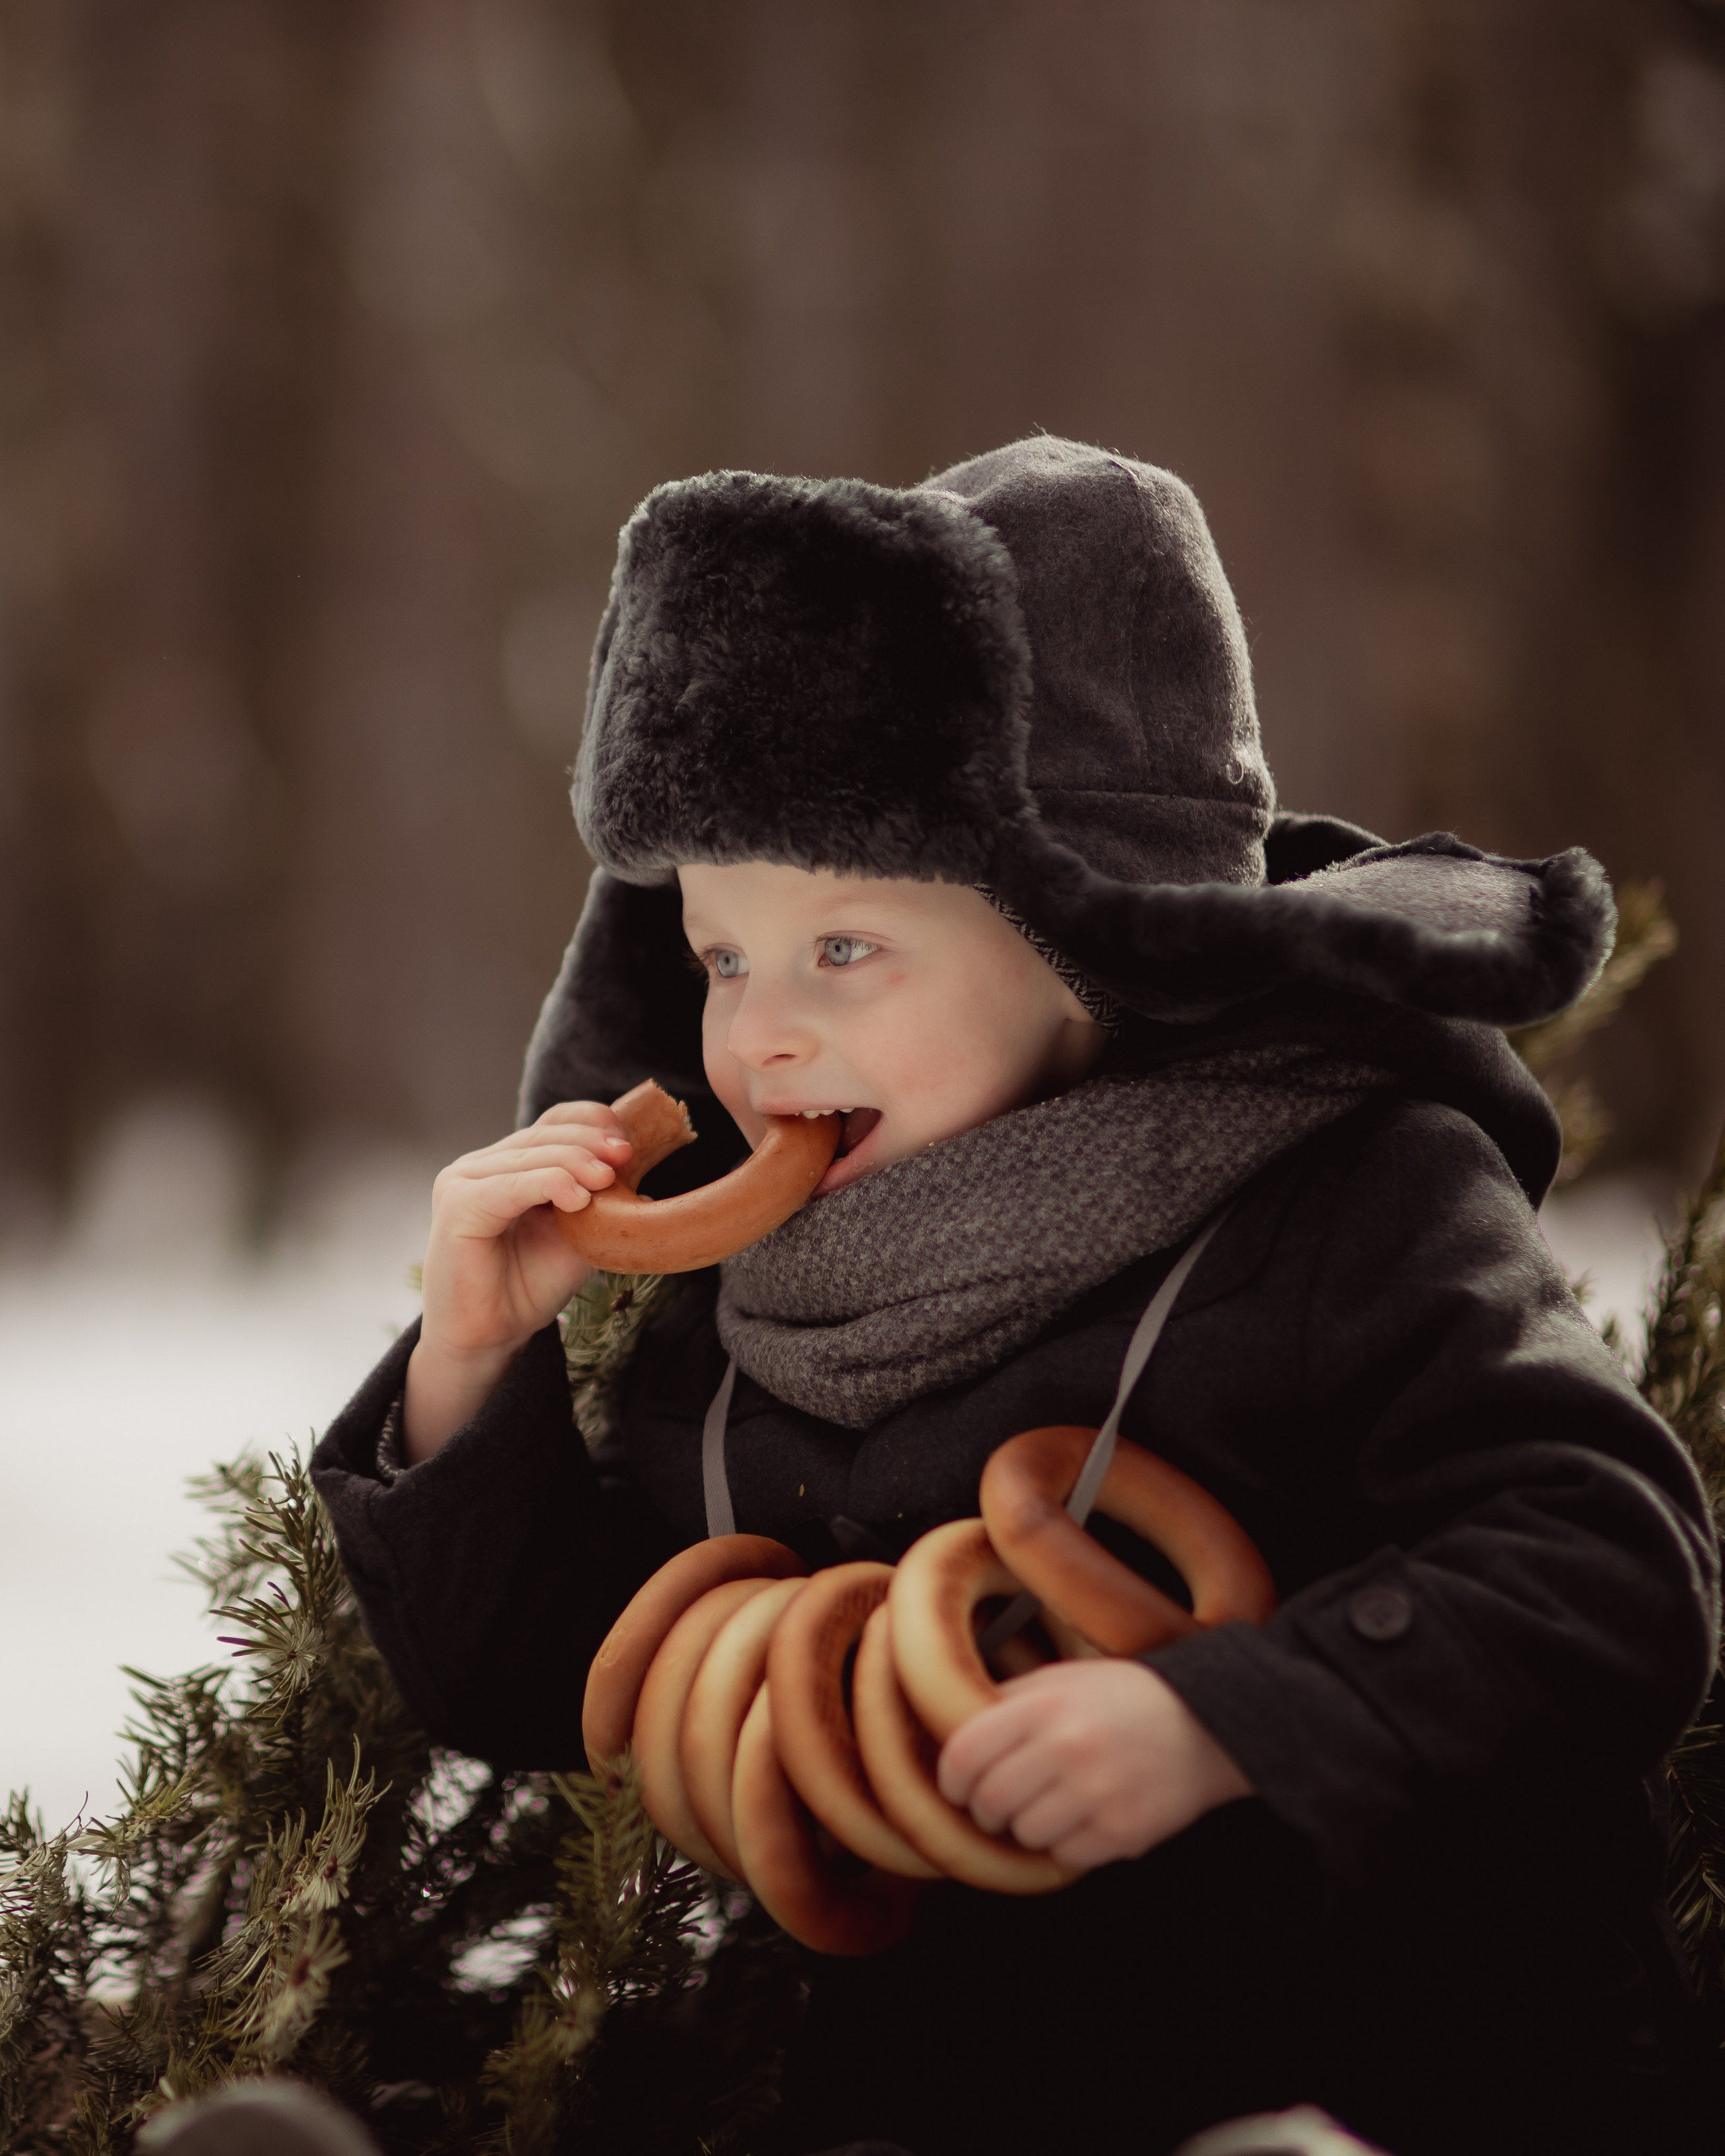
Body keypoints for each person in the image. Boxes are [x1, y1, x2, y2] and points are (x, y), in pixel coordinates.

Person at [312, 437, 1720, 2156]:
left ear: (1089, 938)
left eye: (844, 949)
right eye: (719, 955)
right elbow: (550, 1676)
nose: (758, 1031)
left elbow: (1605, 1560)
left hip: (1396, 2071)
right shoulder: (759, 1287)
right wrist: (472, 1359)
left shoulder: (1346, 1198)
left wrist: (1226, 1719)